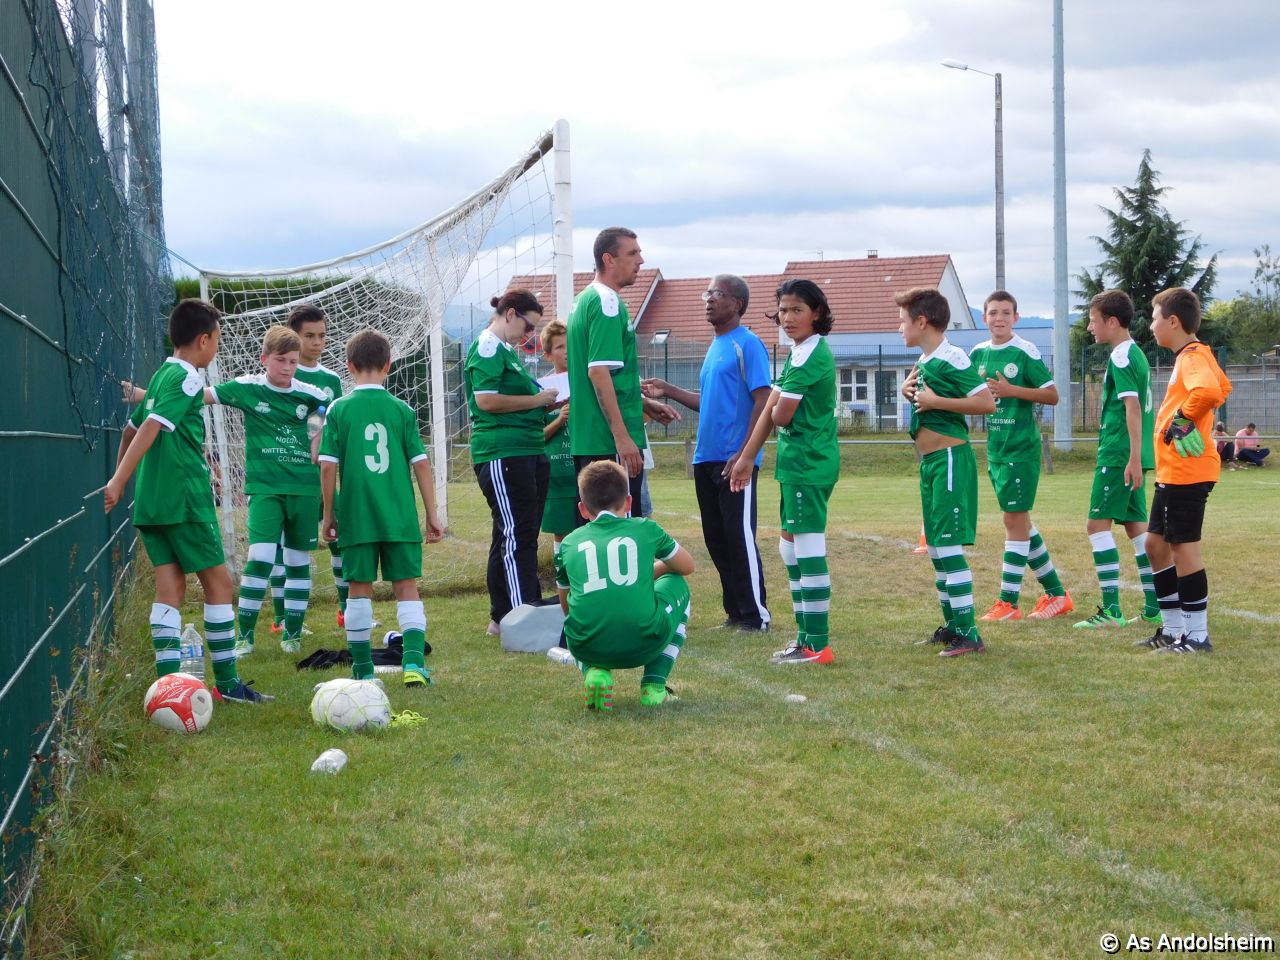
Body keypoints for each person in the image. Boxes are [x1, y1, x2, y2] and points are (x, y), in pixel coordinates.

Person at [104, 299, 272, 702]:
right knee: (220, 584)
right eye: (217, 339)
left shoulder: (161, 375)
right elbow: (149, 427)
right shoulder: (189, 379)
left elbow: (129, 430)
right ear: (203, 340)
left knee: (170, 586)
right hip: (184, 499)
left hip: (152, 500)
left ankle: (168, 688)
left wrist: (125, 481)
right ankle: (228, 686)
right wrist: (117, 480)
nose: (216, 347)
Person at [643, 274, 772, 632]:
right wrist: (668, 390)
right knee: (717, 539)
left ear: (737, 304)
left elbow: (763, 399)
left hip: (735, 461)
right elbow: (710, 402)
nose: (709, 300)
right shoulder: (715, 347)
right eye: (707, 294)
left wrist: (745, 453)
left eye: (717, 294)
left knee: (739, 537)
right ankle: (736, 613)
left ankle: (756, 616)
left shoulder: (748, 344)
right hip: (706, 459)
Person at [319, 330, 444, 686]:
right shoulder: (402, 410)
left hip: (357, 516)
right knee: (407, 587)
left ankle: (362, 670)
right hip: (399, 516)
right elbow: (421, 464)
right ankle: (414, 665)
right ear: (389, 365)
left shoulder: (338, 409)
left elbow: (327, 466)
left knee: (358, 589)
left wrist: (329, 515)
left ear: (349, 366)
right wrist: (432, 514)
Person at [730, 279, 838, 664]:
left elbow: (781, 415)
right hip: (795, 463)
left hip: (809, 463)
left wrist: (776, 412)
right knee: (789, 547)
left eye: (797, 310)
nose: (788, 317)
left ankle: (817, 644)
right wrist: (747, 457)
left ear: (816, 313)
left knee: (807, 547)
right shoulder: (798, 351)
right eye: (783, 310)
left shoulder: (811, 354)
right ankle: (804, 638)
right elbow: (770, 408)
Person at [897, 287, 996, 658]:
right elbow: (924, 400)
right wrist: (908, 391)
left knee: (949, 545)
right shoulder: (926, 359)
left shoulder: (952, 356)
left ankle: (970, 634)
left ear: (922, 322)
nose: (900, 328)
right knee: (936, 546)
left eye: (903, 321)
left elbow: (985, 402)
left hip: (950, 459)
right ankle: (953, 626)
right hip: (931, 463)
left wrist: (936, 400)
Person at [555, 461, 695, 710]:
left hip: (587, 647)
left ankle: (593, 672)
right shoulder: (646, 529)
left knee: (575, 616)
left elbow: (566, 606)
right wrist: (650, 572)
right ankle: (654, 686)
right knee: (678, 584)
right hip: (645, 643)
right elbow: (687, 566)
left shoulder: (568, 543)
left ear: (583, 509)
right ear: (628, 502)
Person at [969, 291, 1074, 621]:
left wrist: (1012, 391)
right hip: (996, 450)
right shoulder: (977, 353)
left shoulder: (1024, 351)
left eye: (1005, 312)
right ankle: (1057, 594)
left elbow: (1052, 395)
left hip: (1021, 450)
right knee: (1019, 522)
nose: (999, 318)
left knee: (1014, 522)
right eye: (993, 313)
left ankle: (1008, 604)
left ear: (1016, 317)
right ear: (984, 318)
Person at [1139, 287, 1232, 653]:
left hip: (1187, 470)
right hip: (1174, 471)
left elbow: (1208, 391)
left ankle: (1196, 636)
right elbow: (1223, 387)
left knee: (1182, 548)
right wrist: (1189, 420)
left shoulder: (1192, 356)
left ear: (1173, 321)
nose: (1151, 326)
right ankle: (1173, 628)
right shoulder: (1194, 355)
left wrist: (1180, 420)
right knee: (1154, 544)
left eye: (1154, 318)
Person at [463, 290, 559, 634]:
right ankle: (523, 617)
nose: (529, 335)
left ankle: (503, 615)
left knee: (515, 533)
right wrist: (536, 399)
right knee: (517, 534)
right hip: (503, 452)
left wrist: (544, 403)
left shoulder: (505, 351)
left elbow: (515, 399)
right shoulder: (487, 346)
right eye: (528, 326)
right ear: (510, 313)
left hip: (526, 450)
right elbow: (486, 400)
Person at [565, 227, 677, 516]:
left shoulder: (584, 299)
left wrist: (643, 403)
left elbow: (604, 375)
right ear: (609, 259)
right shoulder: (607, 301)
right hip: (608, 440)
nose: (641, 260)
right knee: (621, 531)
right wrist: (622, 436)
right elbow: (598, 372)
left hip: (590, 437)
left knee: (596, 530)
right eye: (633, 253)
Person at [1074, 290, 1161, 630]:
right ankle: (1154, 607)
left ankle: (1111, 611)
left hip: (1119, 454)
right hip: (1130, 453)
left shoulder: (1122, 356)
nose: (1089, 327)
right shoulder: (1135, 353)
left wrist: (1133, 458)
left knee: (1096, 525)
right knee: (1137, 528)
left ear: (1111, 322)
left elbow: (1132, 407)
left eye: (1093, 321)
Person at [270, 305, 348, 630]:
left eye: (322, 336)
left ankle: (347, 611)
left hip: (321, 476)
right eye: (309, 336)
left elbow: (335, 426)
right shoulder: (282, 374)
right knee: (283, 546)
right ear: (294, 337)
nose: (317, 342)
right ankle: (281, 617)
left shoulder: (331, 380)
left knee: (340, 539)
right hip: (288, 476)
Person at [539, 318, 576, 555]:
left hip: (585, 470)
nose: (566, 352)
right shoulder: (542, 390)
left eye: (569, 345)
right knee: (562, 534)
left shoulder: (588, 382)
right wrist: (558, 420)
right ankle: (562, 575)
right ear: (548, 355)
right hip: (557, 476)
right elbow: (535, 437)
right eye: (560, 347)